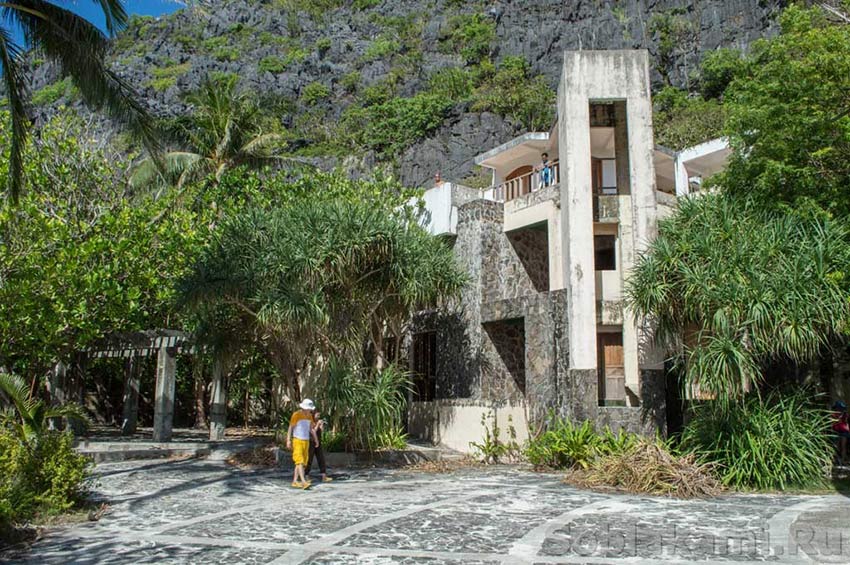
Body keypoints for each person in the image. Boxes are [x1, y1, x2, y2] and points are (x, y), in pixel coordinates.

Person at [286, 398, 319, 489]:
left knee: (302, 462)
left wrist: (316, 439)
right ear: (304, 407)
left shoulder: (309, 416)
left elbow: (311, 428)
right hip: (297, 440)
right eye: (309, 409)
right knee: (299, 461)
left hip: (306, 441)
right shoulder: (296, 415)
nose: (310, 410)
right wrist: (288, 440)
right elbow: (290, 427)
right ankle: (304, 481)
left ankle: (295, 481)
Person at [307, 409, 332, 482]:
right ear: (313, 415)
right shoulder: (310, 422)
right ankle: (306, 475)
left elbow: (321, 431)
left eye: (319, 415)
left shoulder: (318, 421)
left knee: (321, 458)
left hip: (318, 443)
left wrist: (321, 425)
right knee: (309, 459)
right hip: (311, 442)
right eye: (317, 415)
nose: (318, 417)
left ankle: (324, 476)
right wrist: (317, 425)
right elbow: (313, 431)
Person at [832, 400, 850, 465]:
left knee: (843, 446)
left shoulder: (845, 415)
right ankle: (835, 460)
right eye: (838, 408)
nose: (839, 410)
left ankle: (842, 460)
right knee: (835, 446)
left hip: (844, 432)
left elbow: (846, 422)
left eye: (841, 408)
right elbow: (832, 423)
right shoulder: (833, 414)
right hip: (835, 432)